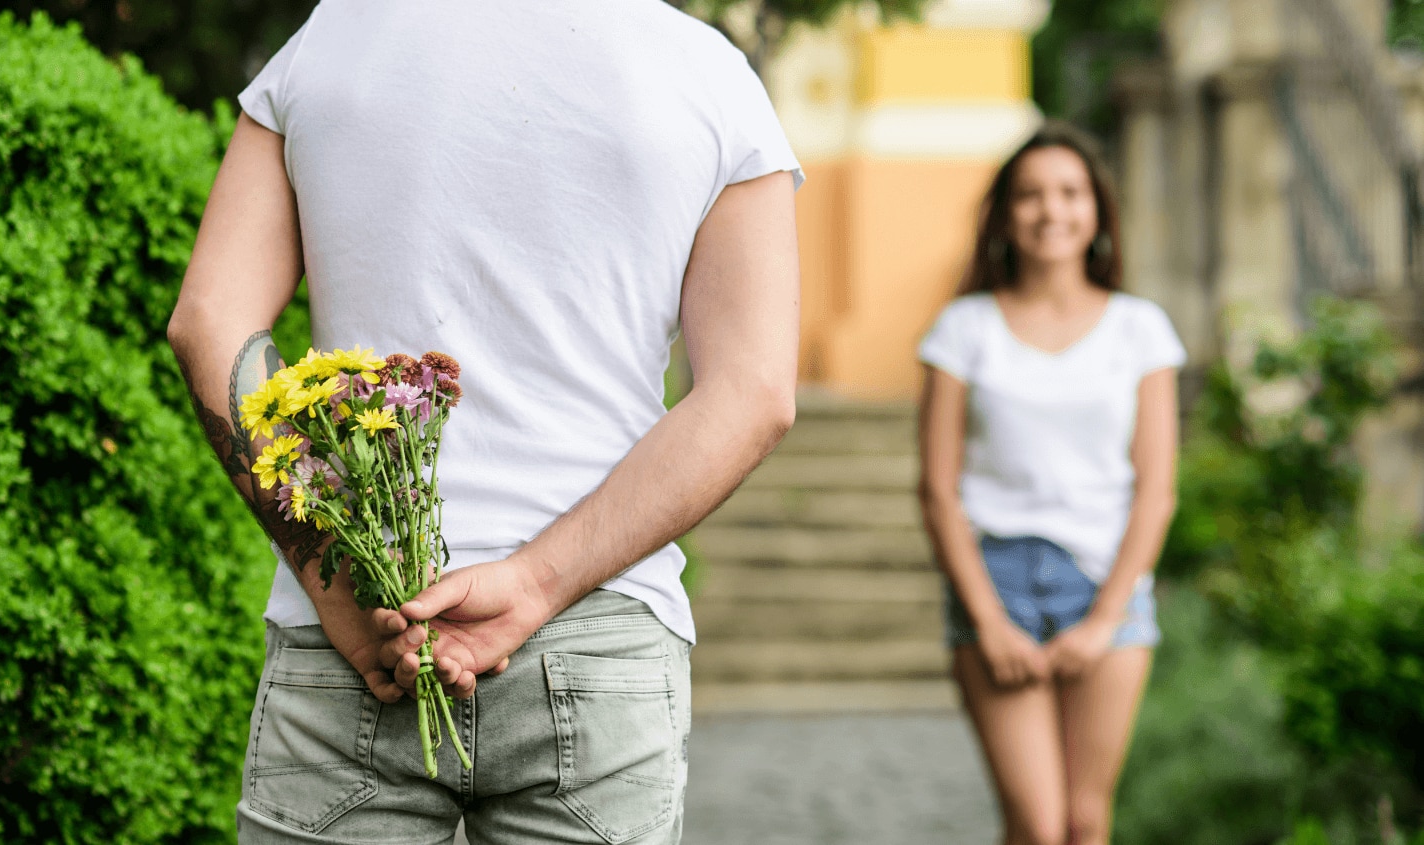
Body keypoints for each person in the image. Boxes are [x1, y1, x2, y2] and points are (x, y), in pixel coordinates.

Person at [166, 2, 803, 842]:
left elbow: (209, 320)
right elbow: (754, 392)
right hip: (597, 628)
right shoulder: (708, 72)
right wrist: (536, 581)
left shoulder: (333, 38)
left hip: (362, 624)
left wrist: (332, 574)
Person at [915, 122, 1185, 845]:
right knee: (1036, 824)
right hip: (996, 585)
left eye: (1070, 192)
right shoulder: (963, 329)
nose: (1051, 210)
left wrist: (1104, 619)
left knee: (1086, 819)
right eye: (1030, 195)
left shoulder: (1140, 329)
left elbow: (1156, 491)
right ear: (1004, 214)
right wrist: (990, 621)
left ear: (1097, 210)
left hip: (1107, 586)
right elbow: (938, 490)